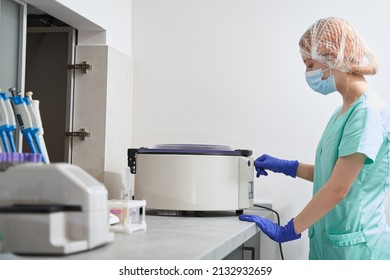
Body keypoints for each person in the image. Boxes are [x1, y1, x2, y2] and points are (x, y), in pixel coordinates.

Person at [239, 17, 390, 260]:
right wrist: (288, 167)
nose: (307, 73)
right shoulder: (344, 111)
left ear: (333, 56)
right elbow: (330, 174)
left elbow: (338, 188)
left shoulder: (366, 112)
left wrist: (288, 229)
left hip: (357, 250)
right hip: (332, 244)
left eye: (309, 64)